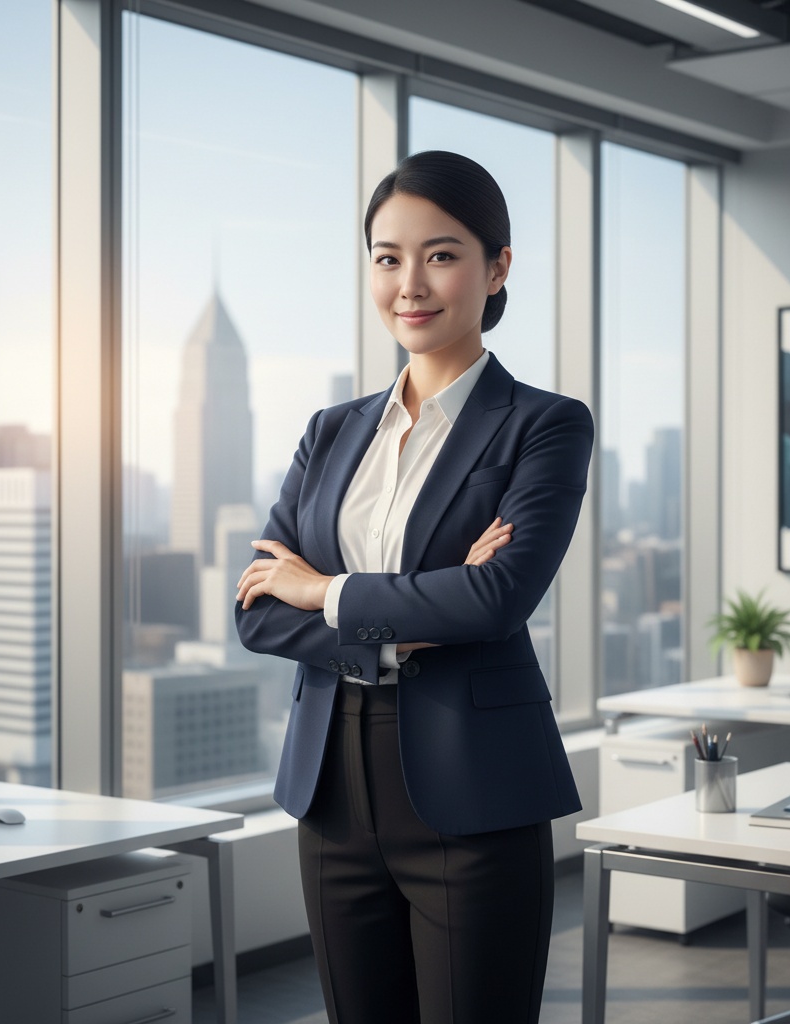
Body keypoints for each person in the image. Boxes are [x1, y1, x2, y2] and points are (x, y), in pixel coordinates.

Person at [234, 150, 594, 1024]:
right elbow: (258, 613)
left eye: (441, 255)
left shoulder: (544, 425)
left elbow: (496, 599)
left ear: (497, 267)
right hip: (332, 790)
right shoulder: (330, 431)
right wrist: (419, 608)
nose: (410, 284)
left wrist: (324, 591)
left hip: (475, 788)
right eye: (388, 257)